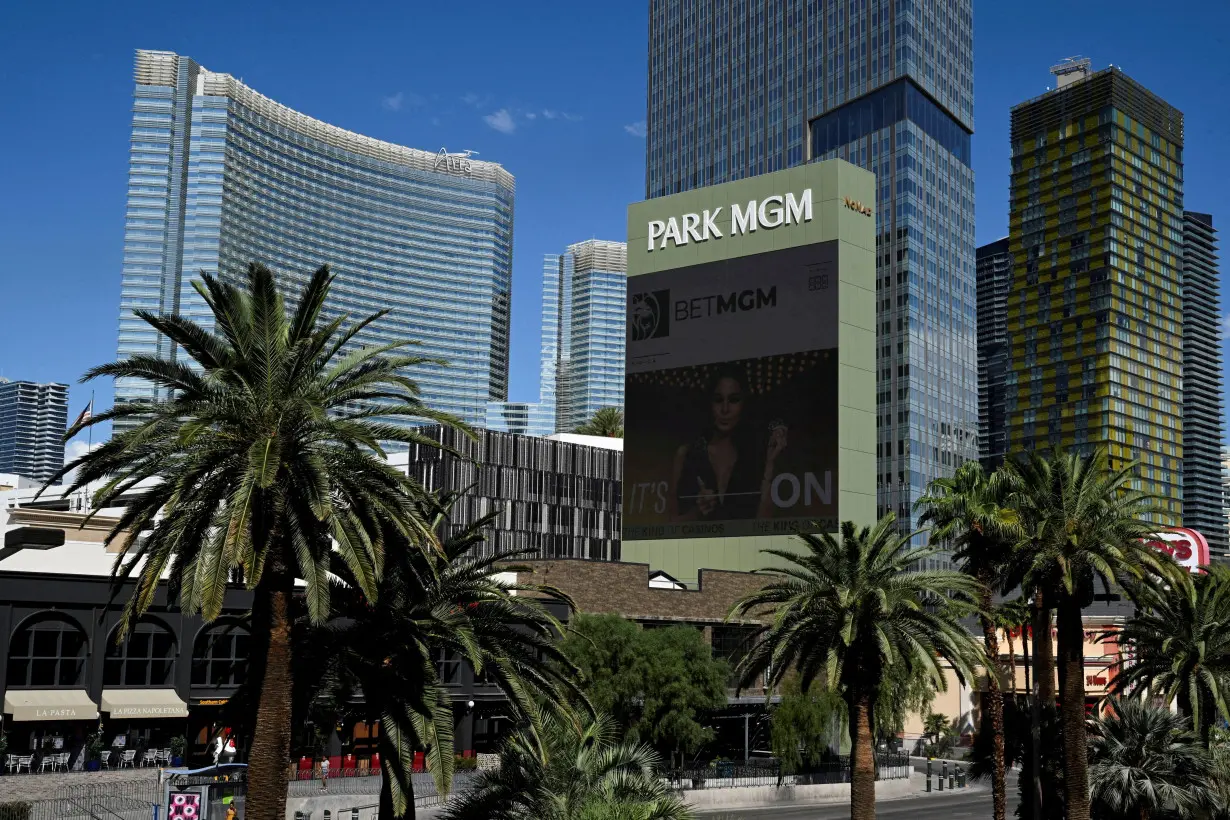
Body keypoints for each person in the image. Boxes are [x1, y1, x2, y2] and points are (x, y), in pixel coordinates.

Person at [669, 366, 787, 522]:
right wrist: (697, 511)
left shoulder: (757, 455)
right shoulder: (686, 454)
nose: (725, 409)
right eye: (718, 400)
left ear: (744, 404)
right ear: (709, 404)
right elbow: (670, 524)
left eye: (733, 400)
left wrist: (770, 465)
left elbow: (764, 525)